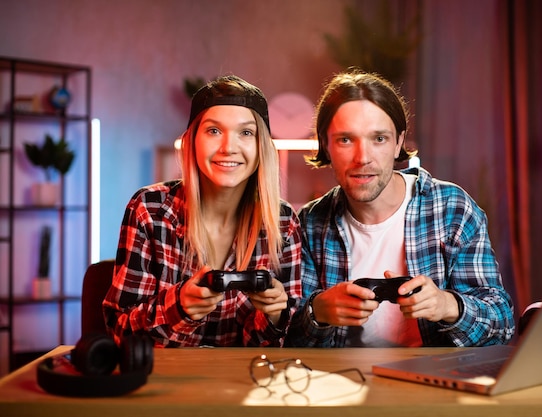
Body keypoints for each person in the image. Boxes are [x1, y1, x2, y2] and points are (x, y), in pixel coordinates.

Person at [285, 69, 515, 348]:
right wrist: (317, 313)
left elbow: (502, 325)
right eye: (346, 139)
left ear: (398, 144)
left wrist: (448, 305)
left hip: (430, 384)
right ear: (325, 144)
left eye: (378, 139)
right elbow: (285, 338)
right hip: (340, 384)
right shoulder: (310, 223)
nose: (363, 158)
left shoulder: (452, 209)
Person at [104, 75, 302, 347]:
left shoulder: (283, 222)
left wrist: (275, 316)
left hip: (246, 383)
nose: (229, 148)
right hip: (165, 381)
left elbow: (285, 345)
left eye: (246, 133)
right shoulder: (149, 210)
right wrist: (179, 307)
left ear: (261, 148)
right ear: (191, 141)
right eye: (213, 131)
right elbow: (119, 331)